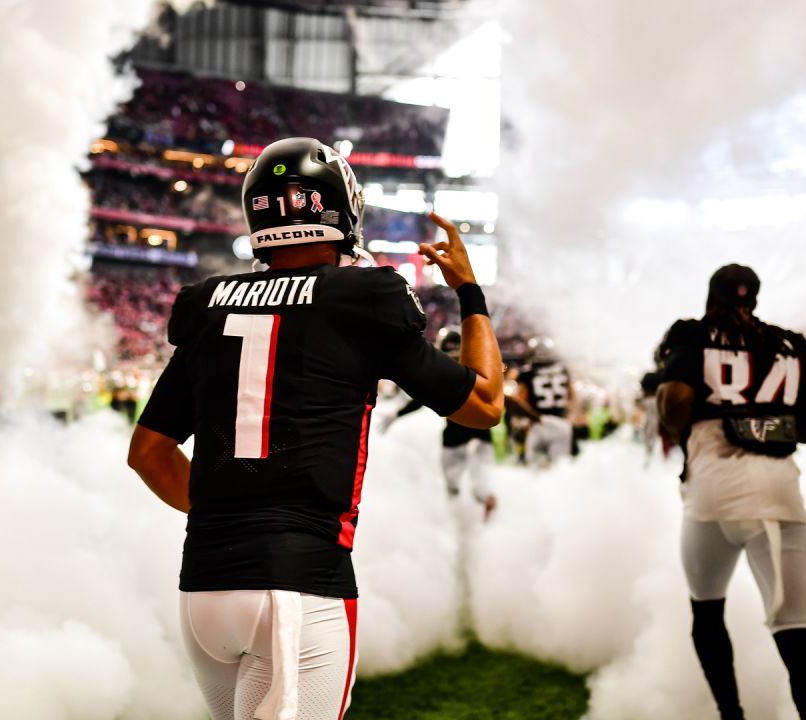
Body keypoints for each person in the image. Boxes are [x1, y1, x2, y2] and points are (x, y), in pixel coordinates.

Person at [127, 137, 503, 720]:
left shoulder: (207, 303)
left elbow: (149, 452)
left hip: (204, 586)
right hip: (297, 584)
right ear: (339, 210)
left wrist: (228, 514)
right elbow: (483, 404)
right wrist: (470, 293)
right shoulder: (365, 296)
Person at [655, 264, 806, 720]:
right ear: (754, 298)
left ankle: (730, 713)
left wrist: (700, 419)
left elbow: (675, 403)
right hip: (779, 495)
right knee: (799, 638)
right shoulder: (789, 345)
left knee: (707, 612)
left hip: (712, 493)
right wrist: (763, 419)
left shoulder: (694, 335)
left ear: (711, 296)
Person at [384, 327, 499, 519]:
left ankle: (458, 526)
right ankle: (490, 519)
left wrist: (397, 414)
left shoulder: (444, 369)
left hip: (455, 434)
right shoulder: (478, 365)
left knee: (452, 488)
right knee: (481, 487)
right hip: (483, 433)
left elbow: (421, 397)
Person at [510, 336, 578, 467]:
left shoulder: (527, 373)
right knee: (560, 469)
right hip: (561, 423)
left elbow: (520, 401)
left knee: (536, 469)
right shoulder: (563, 370)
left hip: (539, 422)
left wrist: (519, 423)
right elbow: (573, 399)